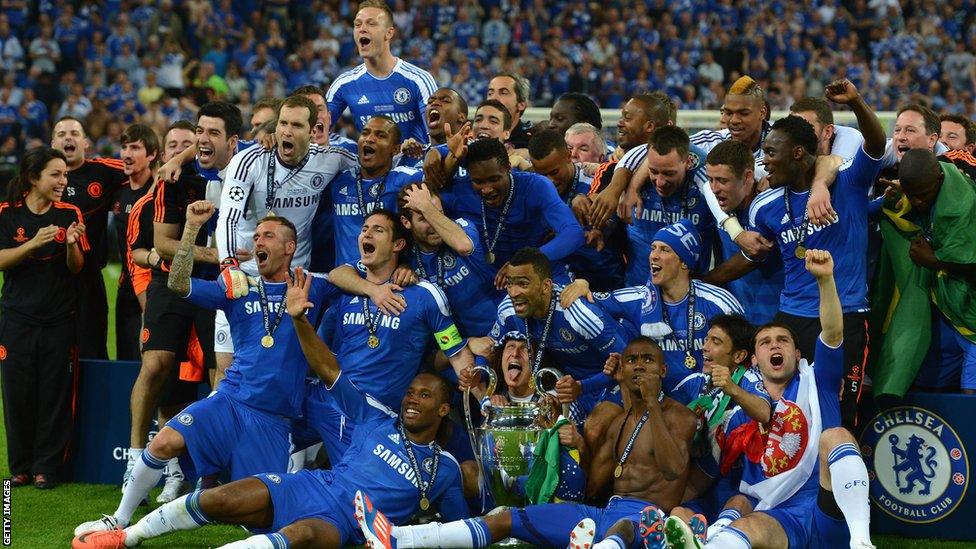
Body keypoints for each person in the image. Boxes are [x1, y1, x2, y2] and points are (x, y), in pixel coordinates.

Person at [75, 268, 468, 548]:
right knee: (211, 490)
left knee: (285, 536)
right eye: (412, 393)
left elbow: (455, 528)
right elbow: (329, 365)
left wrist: (397, 537)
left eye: (424, 396)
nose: (412, 399)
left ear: (445, 410)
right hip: (298, 464)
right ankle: (125, 532)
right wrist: (300, 317)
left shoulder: (445, 468)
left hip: (331, 499)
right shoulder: (376, 417)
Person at [73, 204, 333, 539]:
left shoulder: (313, 286)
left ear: (289, 247)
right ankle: (119, 521)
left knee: (261, 520)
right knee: (164, 442)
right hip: (230, 401)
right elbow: (178, 283)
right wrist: (192, 228)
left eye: (267, 235)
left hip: (273, 419)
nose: (258, 242)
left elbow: (348, 276)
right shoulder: (238, 287)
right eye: (255, 236)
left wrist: (377, 287)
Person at [358, 335, 698, 549]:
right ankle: (402, 538)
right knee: (508, 518)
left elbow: (672, 470)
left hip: (650, 521)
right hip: (604, 513)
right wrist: (573, 448)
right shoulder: (618, 421)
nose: (638, 367)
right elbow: (592, 486)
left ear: (663, 372)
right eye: (631, 361)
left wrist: (652, 402)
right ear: (620, 370)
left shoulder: (679, 416)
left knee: (622, 529)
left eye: (647, 361)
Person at [665, 250, 875, 549]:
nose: (774, 345)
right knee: (747, 525)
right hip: (779, 518)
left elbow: (833, 330)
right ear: (754, 359)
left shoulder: (819, 381)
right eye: (765, 342)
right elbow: (735, 484)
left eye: (783, 340)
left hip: (828, 510)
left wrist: (826, 280)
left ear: (797, 354)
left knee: (837, 435)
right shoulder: (739, 416)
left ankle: (861, 542)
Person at [747, 79, 885, 427]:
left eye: (772, 153)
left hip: (847, 316)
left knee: (838, 419)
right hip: (790, 319)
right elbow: (760, 250)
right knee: (786, 420)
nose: (765, 163)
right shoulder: (764, 207)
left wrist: (855, 102)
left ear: (797, 154)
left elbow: (877, 144)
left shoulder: (848, 183)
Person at [123, 102, 244, 489]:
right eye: (198, 134)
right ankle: (135, 460)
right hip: (174, 280)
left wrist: (193, 148)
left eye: (208, 135)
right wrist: (217, 254)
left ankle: (212, 470)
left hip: (222, 286)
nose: (199, 143)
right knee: (156, 364)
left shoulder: (246, 165)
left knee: (218, 373)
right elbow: (162, 242)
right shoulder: (174, 179)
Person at [308, 209, 475, 460]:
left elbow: (455, 350)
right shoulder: (347, 286)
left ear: (398, 244)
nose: (367, 233)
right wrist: (373, 291)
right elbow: (334, 273)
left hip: (374, 416)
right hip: (326, 400)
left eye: (378, 230)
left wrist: (477, 387)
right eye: (364, 229)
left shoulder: (425, 295)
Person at [215, 94, 358, 377]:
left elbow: (371, 158)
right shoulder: (249, 161)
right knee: (227, 368)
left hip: (291, 284)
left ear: (313, 130)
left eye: (296, 125)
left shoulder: (330, 160)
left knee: (284, 369)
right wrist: (228, 265)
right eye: (282, 124)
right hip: (245, 276)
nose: (287, 132)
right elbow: (227, 217)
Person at [567, 220, 743, 397]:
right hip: (658, 403)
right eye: (653, 248)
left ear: (684, 263)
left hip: (711, 399)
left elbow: (742, 353)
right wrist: (583, 283)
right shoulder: (639, 298)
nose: (654, 256)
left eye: (664, 250)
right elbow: (587, 300)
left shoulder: (718, 302)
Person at [0, 147, 88, 489]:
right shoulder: (8, 213)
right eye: (56, 174)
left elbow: (77, 268)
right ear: (34, 178)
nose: (63, 181)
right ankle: (20, 466)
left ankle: (47, 468)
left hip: (58, 319)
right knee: (17, 393)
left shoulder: (69, 212)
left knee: (54, 393)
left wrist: (70, 245)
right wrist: (32, 244)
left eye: (65, 175)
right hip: (17, 319)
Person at [482, 247, 628, 419]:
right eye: (510, 283)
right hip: (568, 388)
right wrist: (486, 394)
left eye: (523, 284)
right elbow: (487, 349)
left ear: (545, 286)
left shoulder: (579, 315)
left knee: (594, 432)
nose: (513, 293)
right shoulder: (509, 309)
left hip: (609, 382)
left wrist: (582, 387)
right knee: (543, 425)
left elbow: (625, 364)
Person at [437, 137, 584, 284]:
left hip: (539, 278)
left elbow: (573, 233)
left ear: (508, 168)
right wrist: (436, 152)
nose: (487, 189)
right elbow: (422, 193)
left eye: (494, 179)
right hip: (490, 284)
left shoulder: (535, 187)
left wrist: (526, 262)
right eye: (478, 181)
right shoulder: (459, 192)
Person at [897, 150, 976, 393]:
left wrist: (935, 261)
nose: (917, 202)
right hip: (949, 311)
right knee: (928, 385)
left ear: (939, 180)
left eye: (921, 195)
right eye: (911, 195)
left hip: (971, 316)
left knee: (969, 395)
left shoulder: (963, 205)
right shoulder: (933, 175)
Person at [51, 116, 128, 359]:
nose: (68, 138)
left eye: (74, 133)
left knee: (92, 351)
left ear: (86, 143)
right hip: (48, 280)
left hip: (88, 281)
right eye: (61, 134)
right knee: (53, 355)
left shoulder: (103, 171)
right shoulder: (39, 175)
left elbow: (142, 169)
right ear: (52, 143)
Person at [397, 182, 501, 336]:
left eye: (437, 213)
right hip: (458, 344)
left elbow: (464, 246)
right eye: (424, 218)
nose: (433, 224)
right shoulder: (405, 258)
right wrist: (402, 267)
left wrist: (426, 207)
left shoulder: (463, 226)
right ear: (406, 222)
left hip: (500, 326)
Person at [326, 0, 437, 143]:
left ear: (389, 33)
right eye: (357, 24)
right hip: (368, 163)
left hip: (415, 163)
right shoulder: (343, 84)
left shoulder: (418, 79)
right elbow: (316, 132)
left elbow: (437, 138)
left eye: (371, 24)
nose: (362, 29)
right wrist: (351, 149)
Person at [528, 128, 625, 291]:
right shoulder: (532, 189)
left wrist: (600, 227)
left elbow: (614, 224)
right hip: (555, 285)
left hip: (603, 284)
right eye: (542, 175)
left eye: (554, 172)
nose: (549, 181)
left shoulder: (597, 182)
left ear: (568, 156)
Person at [703, 140, 783, 325]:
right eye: (711, 179)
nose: (715, 188)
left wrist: (701, 283)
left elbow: (751, 257)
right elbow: (706, 187)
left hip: (777, 321)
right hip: (737, 319)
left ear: (747, 177)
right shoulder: (720, 202)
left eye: (722, 180)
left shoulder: (773, 205)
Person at [328, 114, 422, 267]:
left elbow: (439, 175)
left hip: (387, 281)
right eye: (365, 133)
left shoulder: (405, 179)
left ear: (396, 149)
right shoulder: (338, 179)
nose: (369, 139)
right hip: (345, 281)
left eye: (380, 135)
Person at [587, 92, 675, 229]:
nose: (619, 123)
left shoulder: (686, 163)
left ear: (650, 126)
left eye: (627, 118)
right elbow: (595, 213)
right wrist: (580, 200)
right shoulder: (610, 168)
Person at [112, 124, 160, 360]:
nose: (127, 154)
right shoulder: (118, 193)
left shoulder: (161, 193)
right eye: (123, 147)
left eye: (135, 147)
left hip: (154, 286)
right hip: (126, 288)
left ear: (151, 155)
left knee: (151, 359)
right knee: (125, 357)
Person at [487, 71, 533, 149]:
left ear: (521, 105)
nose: (493, 98)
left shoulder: (532, 142)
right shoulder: (479, 136)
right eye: (490, 93)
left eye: (503, 93)